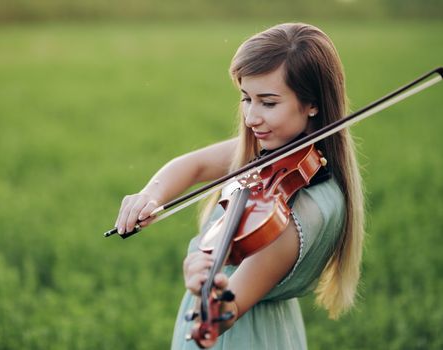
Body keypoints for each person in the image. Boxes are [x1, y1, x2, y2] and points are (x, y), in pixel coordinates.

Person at [114, 22, 365, 349]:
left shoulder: (299, 215)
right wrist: (150, 195)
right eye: (246, 98)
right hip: (273, 329)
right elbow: (195, 165)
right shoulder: (276, 155)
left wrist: (201, 284)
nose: (250, 117)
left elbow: (225, 311)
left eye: (268, 103)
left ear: (312, 103)